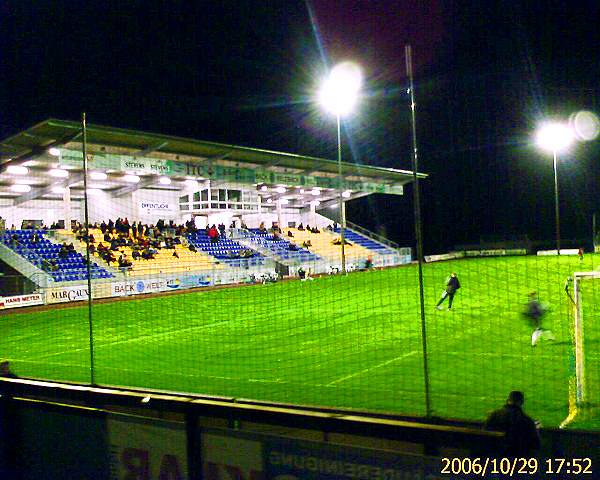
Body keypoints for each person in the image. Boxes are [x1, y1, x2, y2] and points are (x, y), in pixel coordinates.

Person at [484, 391, 540, 457]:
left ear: (507, 400)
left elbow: (485, 434)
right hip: (517, 458)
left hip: (494, 457)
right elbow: (536, 444)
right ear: (522, 402)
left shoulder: (494, 415)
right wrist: (536, 429)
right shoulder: (527, 420)